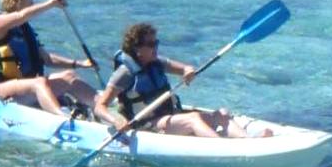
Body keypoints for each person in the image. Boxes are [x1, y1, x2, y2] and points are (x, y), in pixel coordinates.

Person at [93, 22, 261, 138]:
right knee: (193, 119)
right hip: (147, 124)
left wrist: (188, 72)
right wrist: (116, 120)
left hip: (171, 117)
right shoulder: (125, 73)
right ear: (137, 49)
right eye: (151, 44)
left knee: (222, 114)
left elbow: (185, 68)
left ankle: (247, 141)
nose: (156, 47)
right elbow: (100, 106)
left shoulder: (157, 63)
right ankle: (224, 148)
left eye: (156, 42)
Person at [0, 0, 99, 116]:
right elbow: (21, 15)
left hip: (27, 85)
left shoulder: (24, 29)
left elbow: (47, 59)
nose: (33, 4)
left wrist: (79, 63)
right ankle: (62, 117)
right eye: (30, 2)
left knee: (70, 77)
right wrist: (51, 4)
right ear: (17, 3)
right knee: (39, 83)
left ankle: (102, 106)